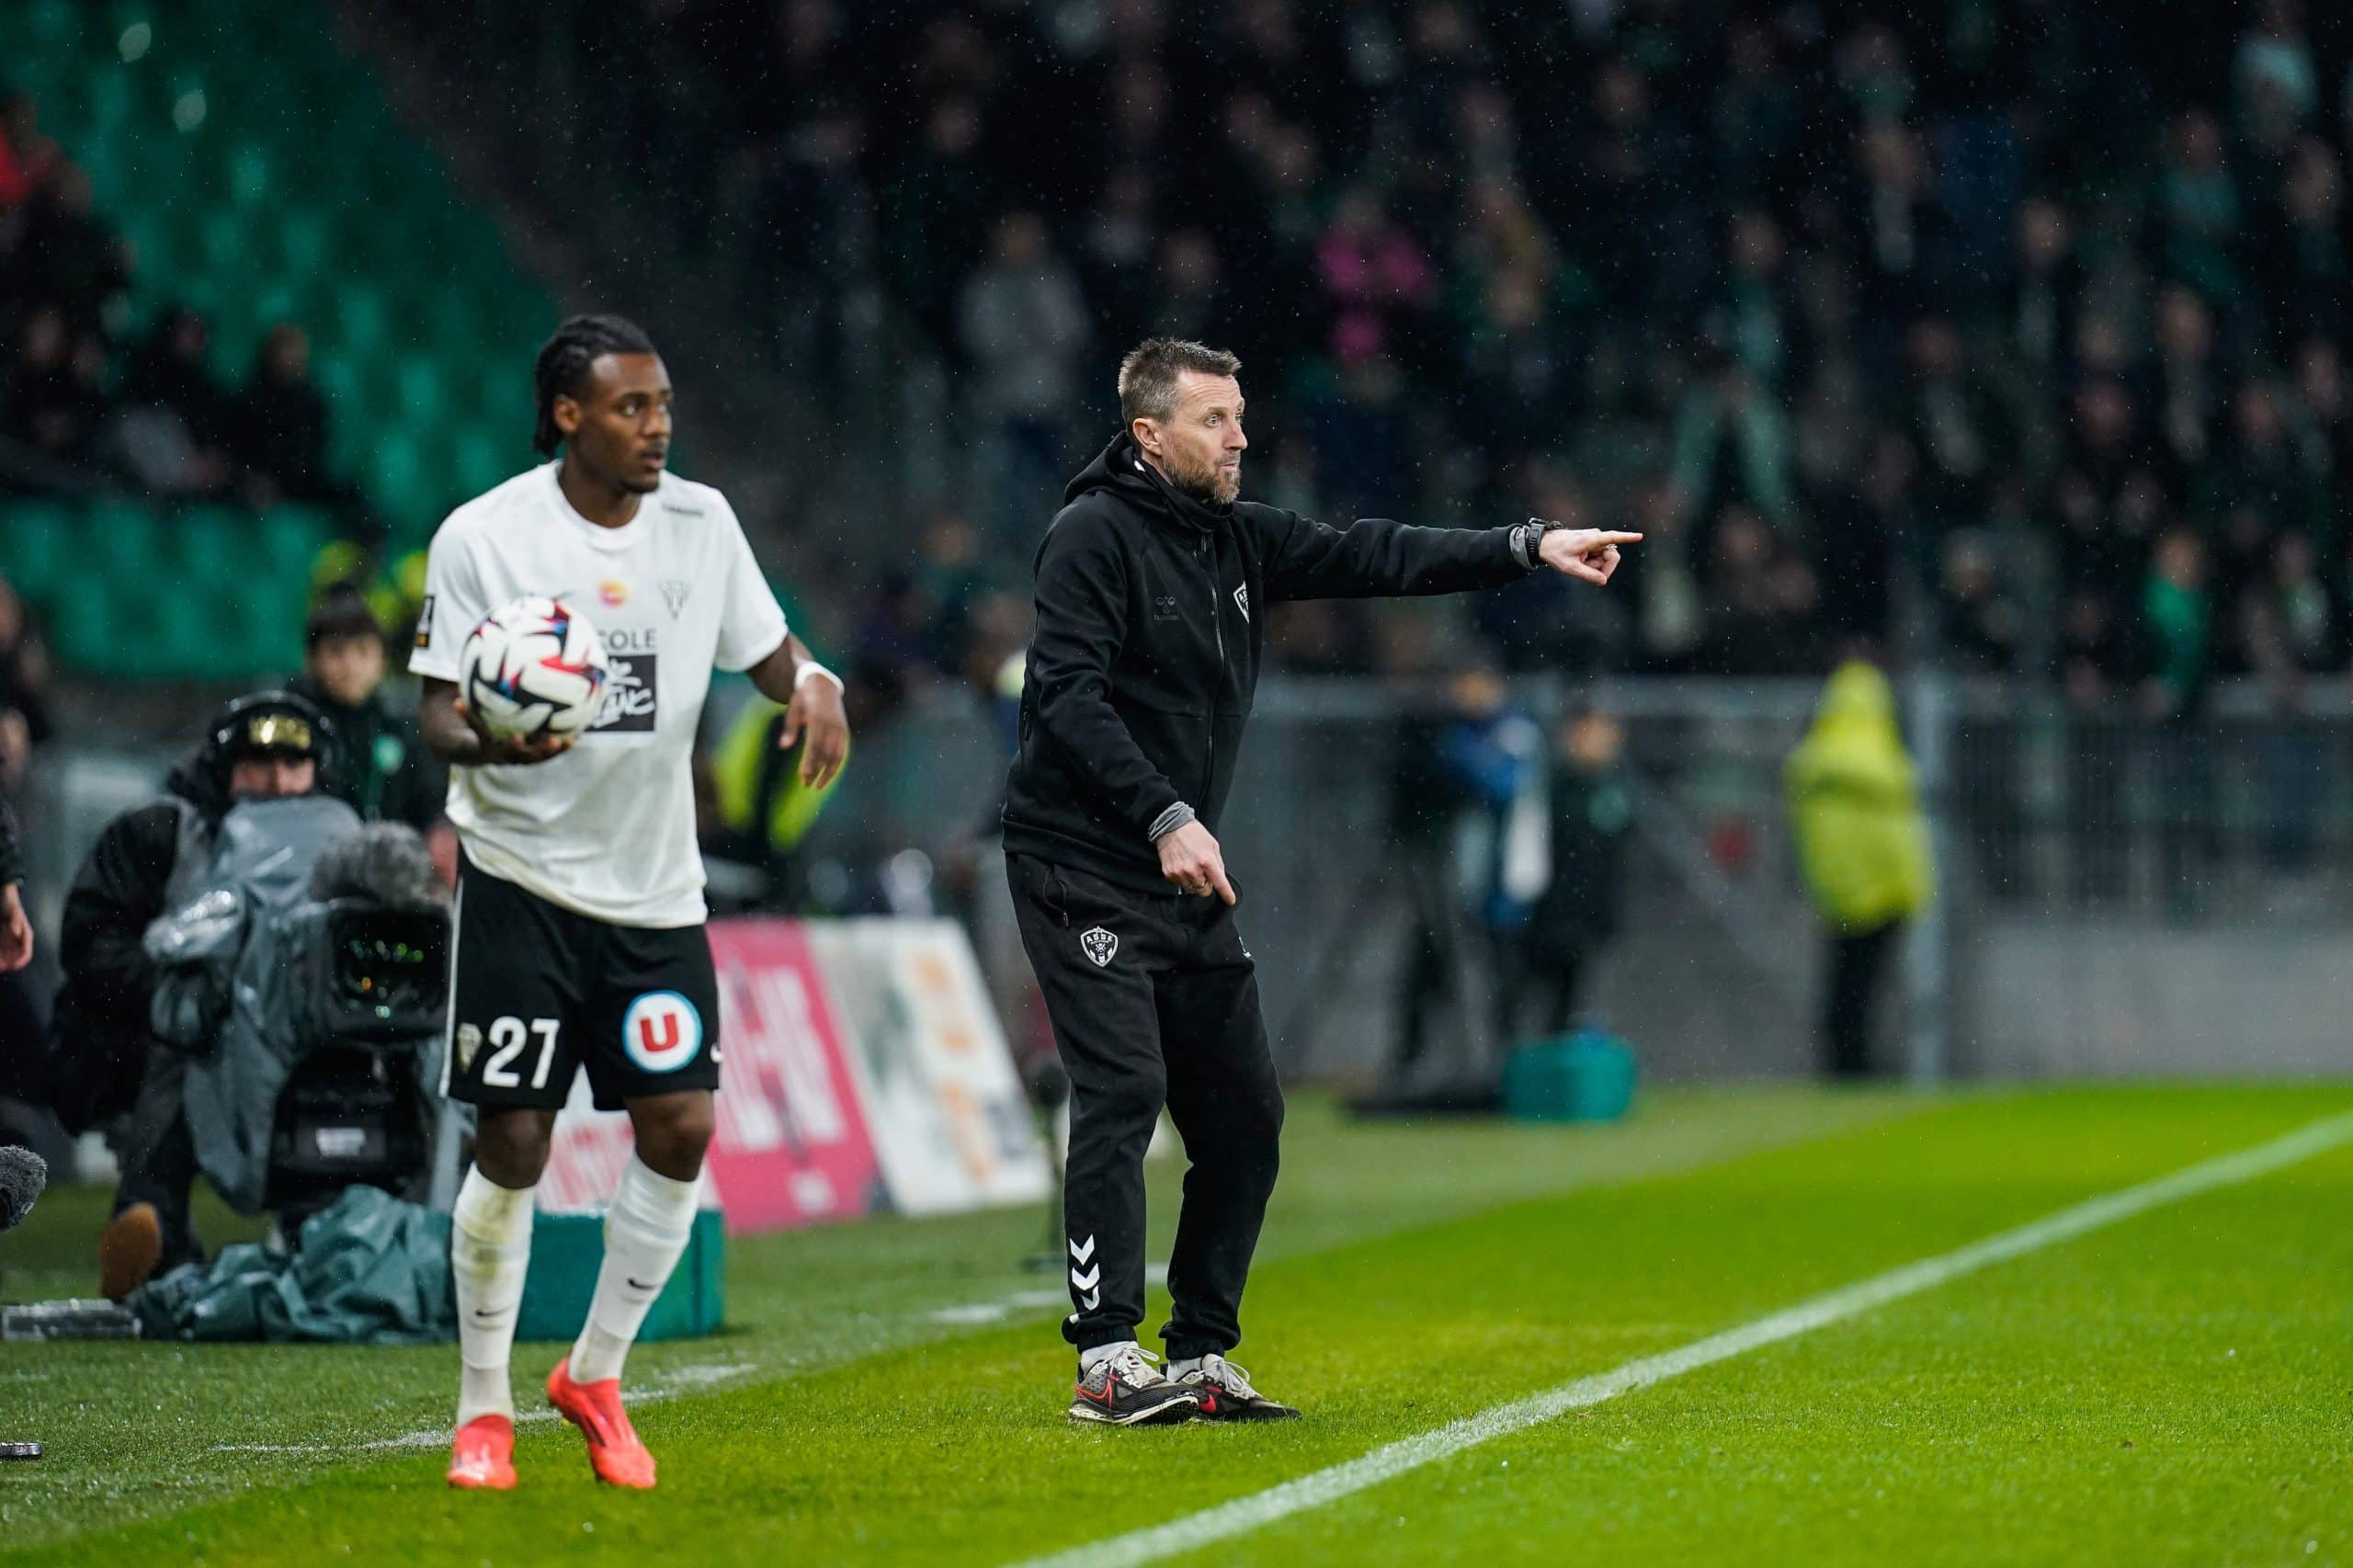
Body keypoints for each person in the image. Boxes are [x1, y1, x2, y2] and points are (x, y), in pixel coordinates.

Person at [1000, 337, 1636, 1426]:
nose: (1241, 434)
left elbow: (1381, 554)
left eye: (1241, 415)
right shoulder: (1089, 536)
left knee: (1245, 1117)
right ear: (1148, 434)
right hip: (1084, 861)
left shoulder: (1239, 542)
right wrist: (1162, 812)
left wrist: (1529, 545)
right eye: (1215, 419)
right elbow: (1064, 692)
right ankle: (1106, 1359)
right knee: (1124, 1090)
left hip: (1182, 865)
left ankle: (1198, 1355)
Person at [410, 315, 847, 1493]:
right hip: (521, 883)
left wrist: (814, 681)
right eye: (630, 408)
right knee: (514, 1141)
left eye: (661, 406)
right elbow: (439, 709)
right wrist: (495, 746)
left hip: (657, 894)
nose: (657, 427)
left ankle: (594, 1374)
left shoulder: (701, 526)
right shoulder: (484, 539)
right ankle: (483, 1407)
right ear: (567, 416)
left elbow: (769, 652)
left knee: (681, 1127)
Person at [55, 692, 329, 1299]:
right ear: (225, 768)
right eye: (260, 765)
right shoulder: (159, 832)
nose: (278, 782)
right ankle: (149, 1217)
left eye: (294, 765)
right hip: (148, 1038)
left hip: (298, 1038)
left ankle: (351, 1228)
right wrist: (178, 995)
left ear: (316, 772)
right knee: (193, 1045)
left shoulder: (335, 842)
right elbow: (89, 944)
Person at [1785, 661, 1934, 1078]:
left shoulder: (1814, 758)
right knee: (1873, 988)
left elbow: (1815, 832)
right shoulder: (1889, 759)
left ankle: (1843, 1063)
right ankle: (1861, 1065)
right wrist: (1910, 888)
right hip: (1888, 893)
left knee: (1844, 986)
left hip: (1839, 892)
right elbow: (1899, 838)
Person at [291, 585, 446, 835]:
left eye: (362, 651)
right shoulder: (296, 726)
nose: (350, 666)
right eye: (335, 652)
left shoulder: (398, 727)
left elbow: (429, 805)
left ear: (382, 660)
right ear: (311, 660)